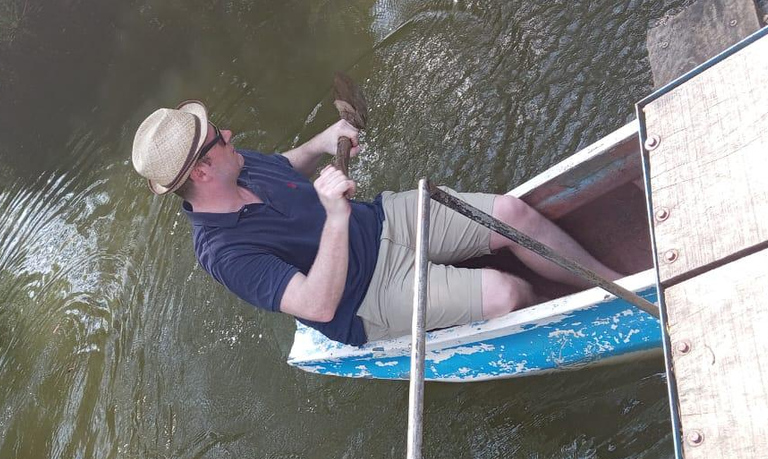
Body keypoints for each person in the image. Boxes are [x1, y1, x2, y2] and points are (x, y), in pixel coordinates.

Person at [132, 100, 622, 346]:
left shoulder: (236, 163)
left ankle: (619, 284)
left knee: (512, 213)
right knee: (507, 296)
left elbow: (282, 165)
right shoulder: (224, 254)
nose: (230, 134)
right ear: (201, 171)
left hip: (381, 220)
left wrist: (322, 142)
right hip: (365, 296)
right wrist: (335, 218)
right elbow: (317, 306)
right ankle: (582, 321)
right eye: (219, 136)